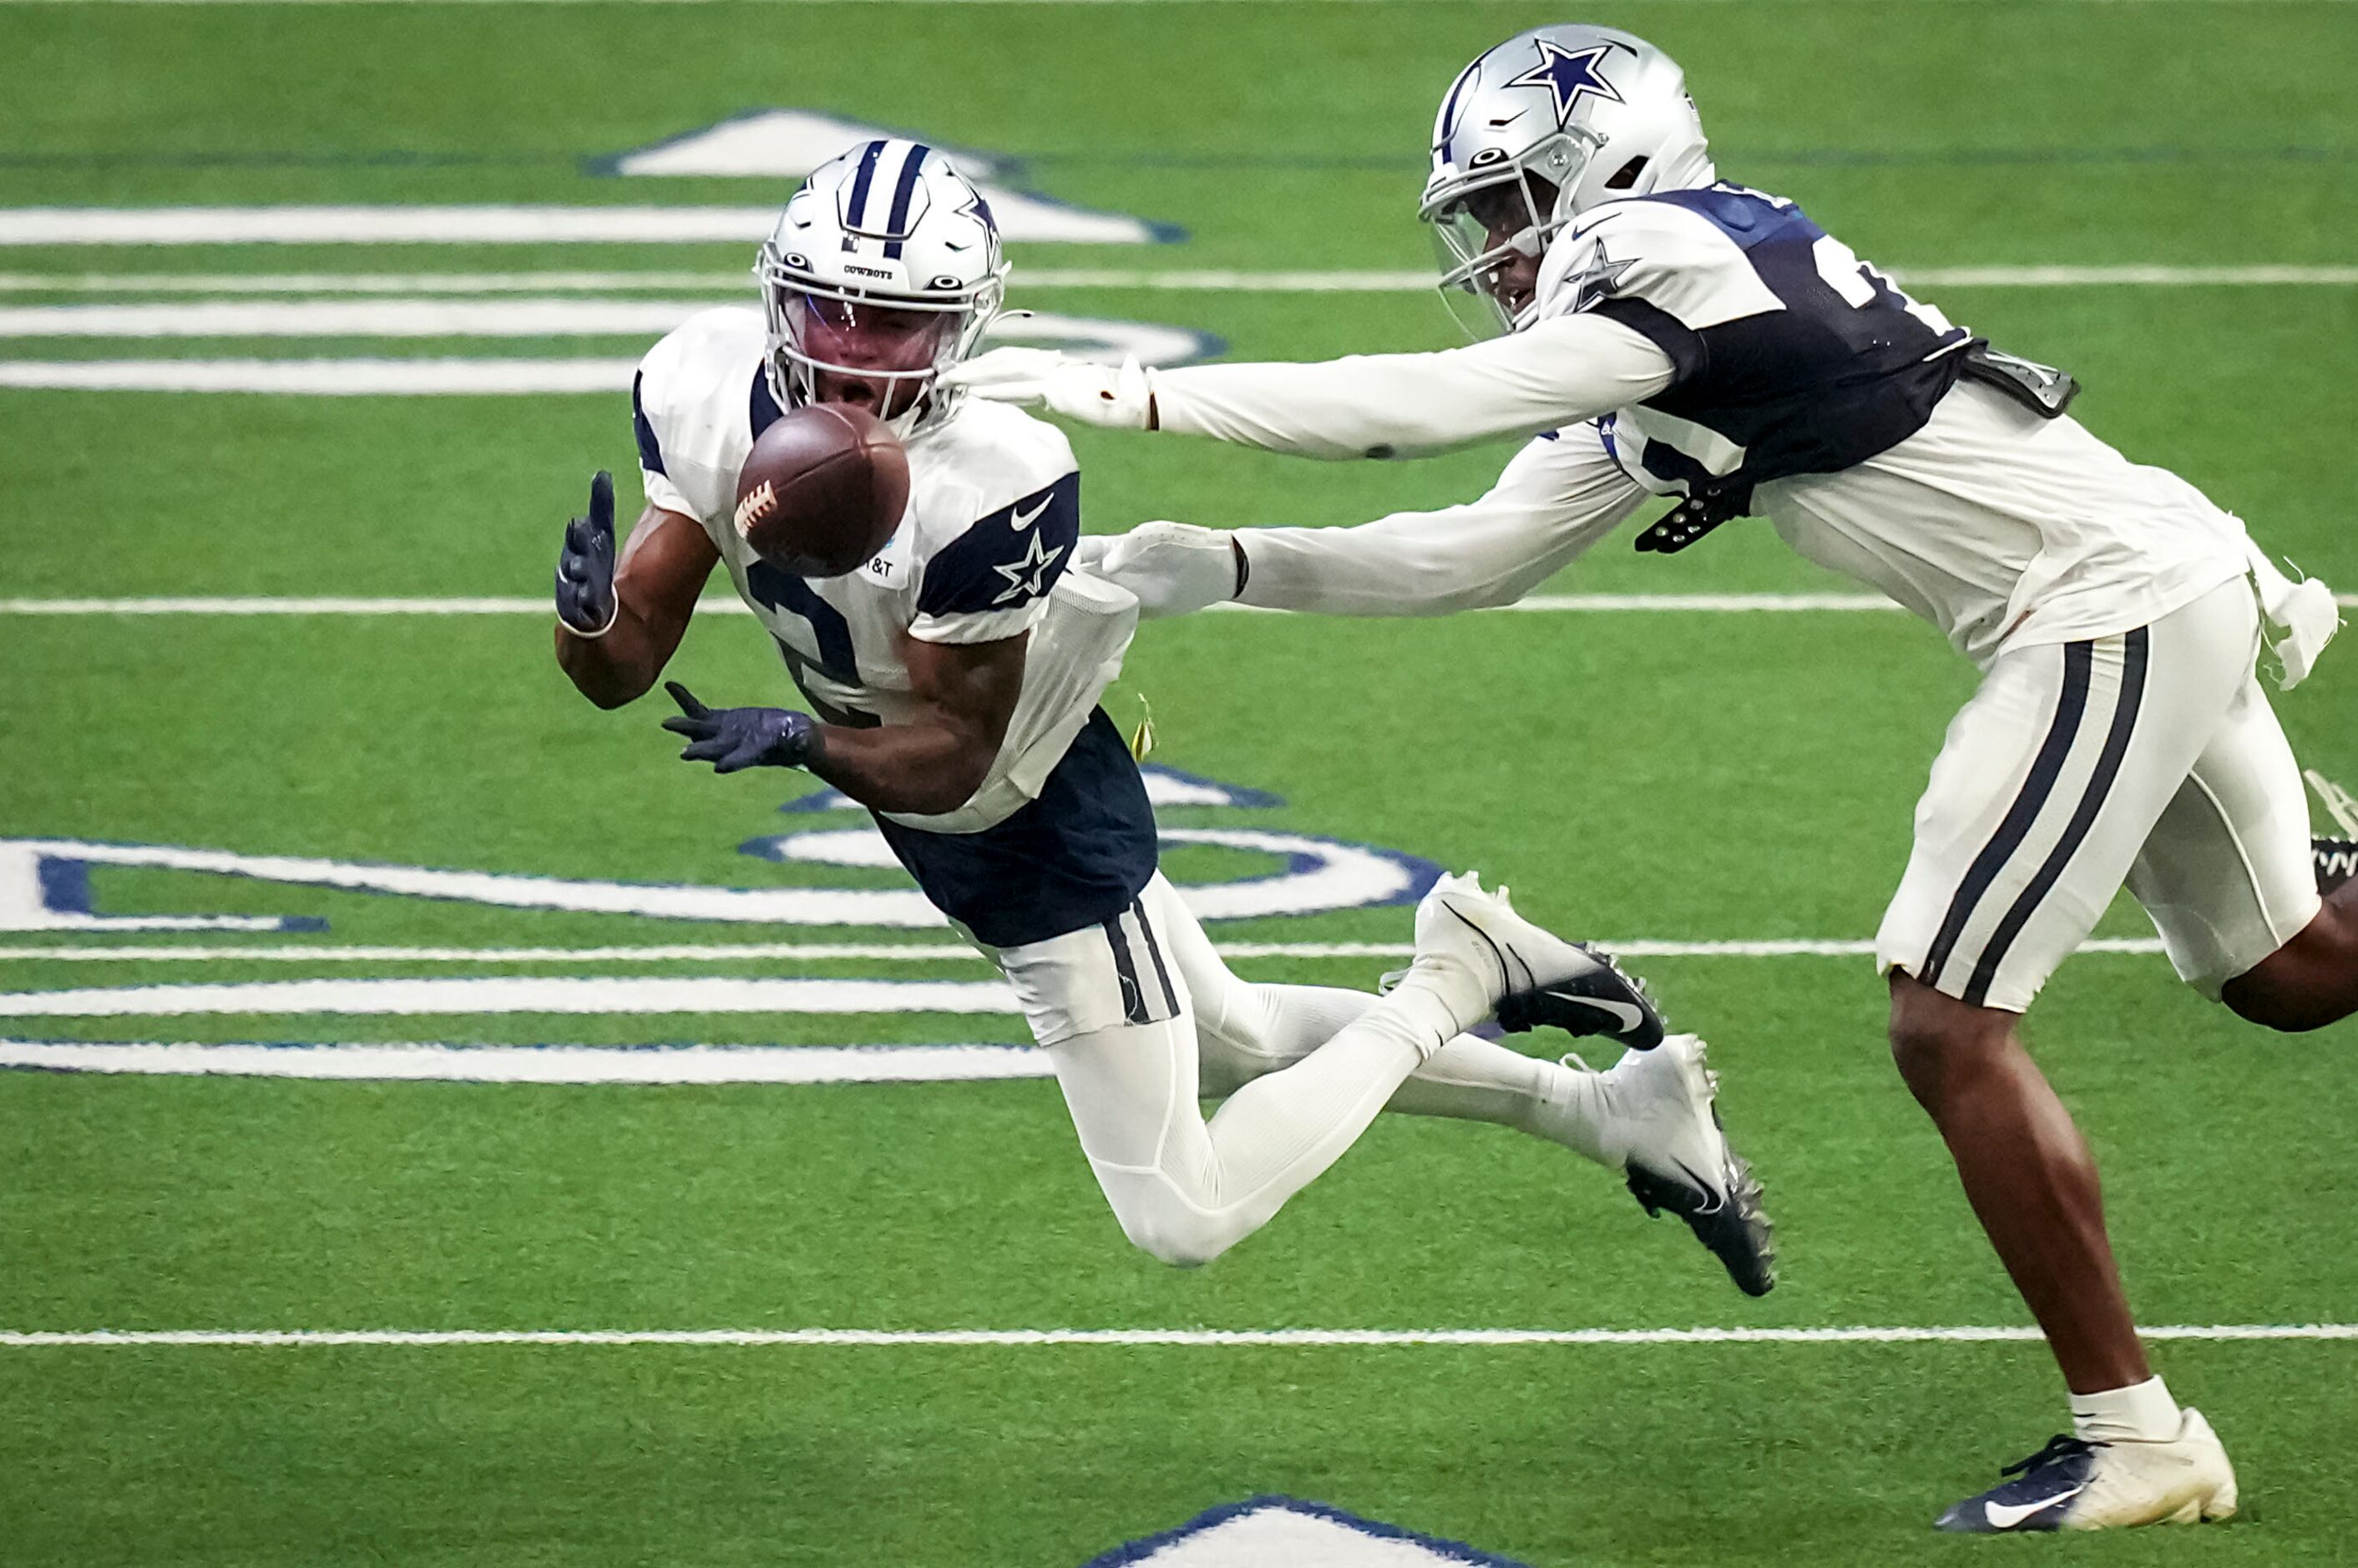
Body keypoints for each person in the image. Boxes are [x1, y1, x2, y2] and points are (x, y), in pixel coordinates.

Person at [944, 24, 2356, 1531]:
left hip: (2104, 607)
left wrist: (1149, 396)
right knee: (2297, 968)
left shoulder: (1658, 262)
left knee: (1946, 1023)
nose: (1491, 243)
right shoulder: (1661, 328)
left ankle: (2138, 1434)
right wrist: (1222, 565)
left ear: (1599, 166)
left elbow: (1413, 408)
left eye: (1506, 203)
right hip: (2146, 573)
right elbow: (1468, 558)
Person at [548, 139, 1776, 1287]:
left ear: (961, 327)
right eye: (835, 312)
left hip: (1022, 809)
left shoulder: (995, 478)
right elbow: (623, 664)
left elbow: (954, 756)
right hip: (937, 802)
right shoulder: (699, 381)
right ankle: (1615, 1110)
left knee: (1181, 1211)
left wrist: (811, 738)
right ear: (776, 298)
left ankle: (1454, 978)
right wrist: (593, 623)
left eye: (902, 323)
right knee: (1236, 1030)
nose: (862, 352)